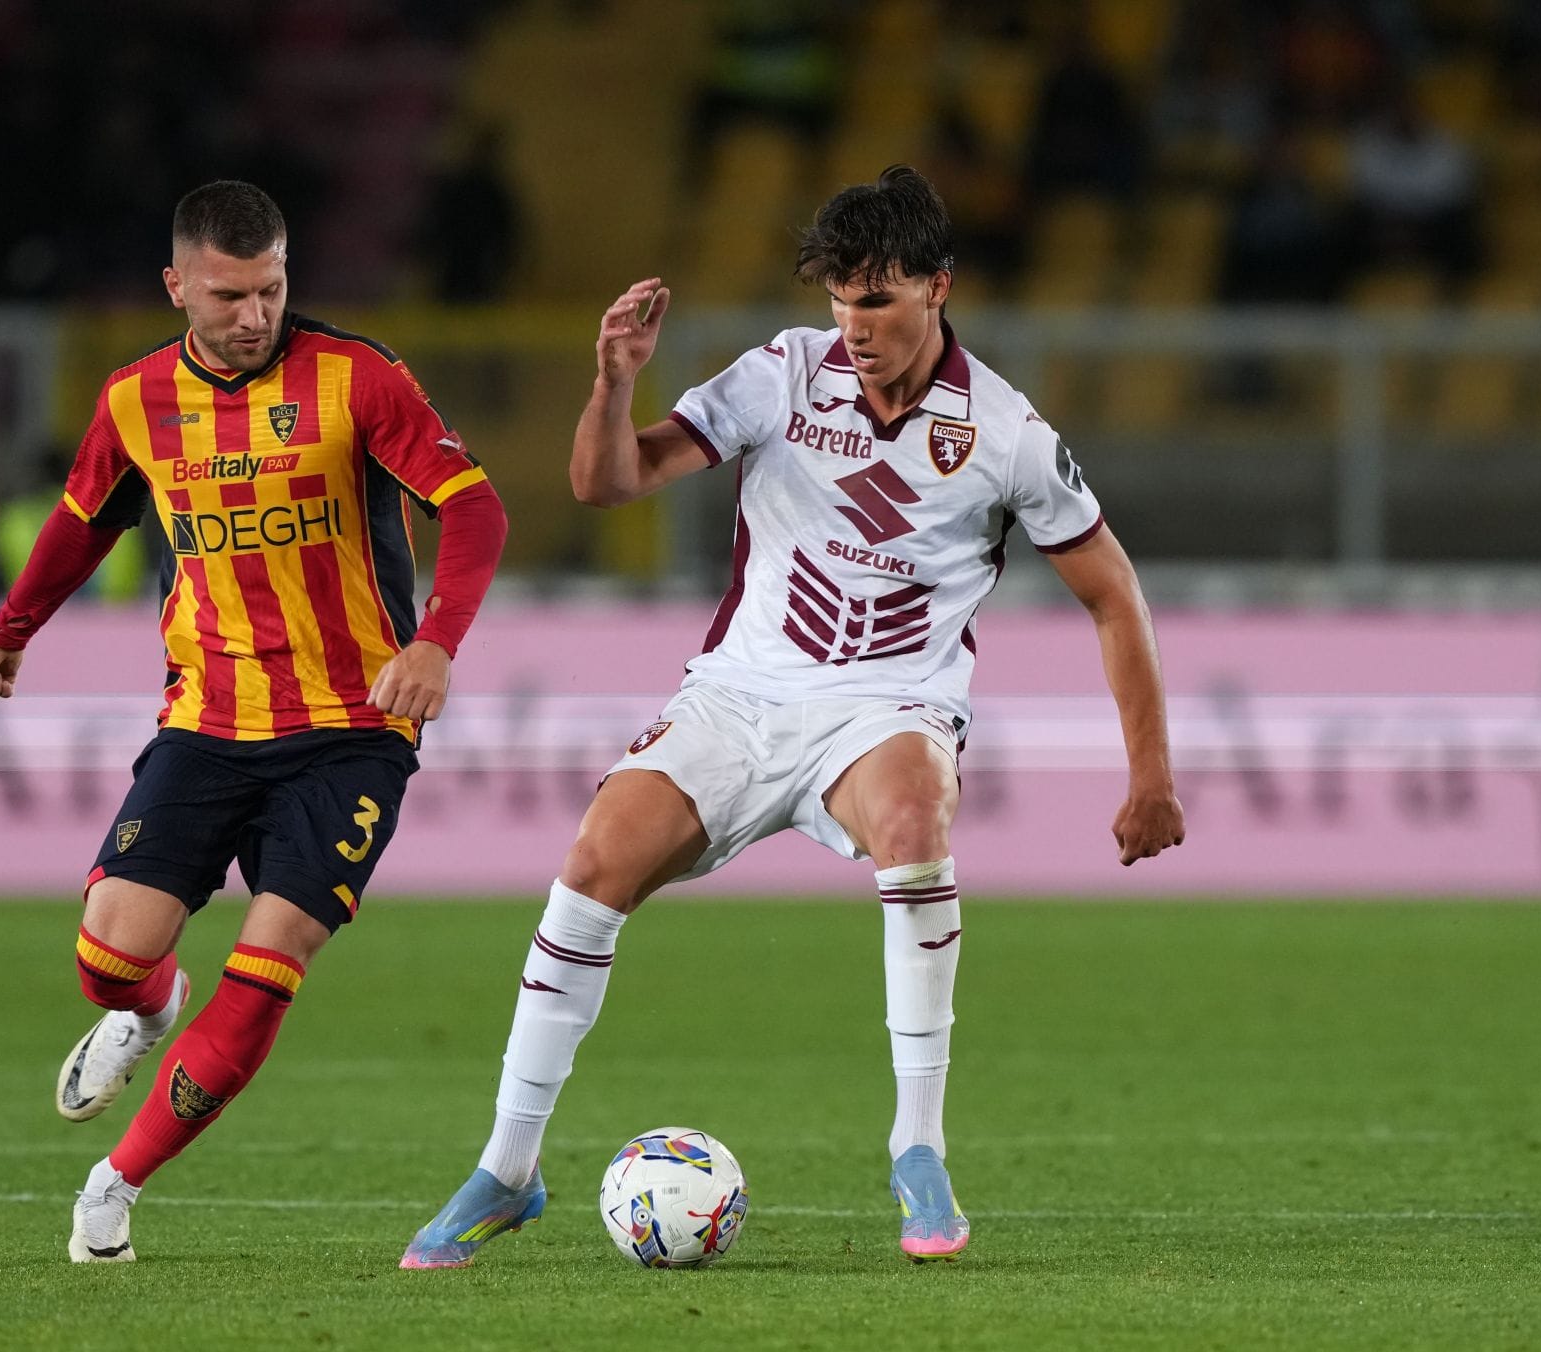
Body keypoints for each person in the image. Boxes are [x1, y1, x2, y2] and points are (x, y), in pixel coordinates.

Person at [403, 166, 1184, 1269]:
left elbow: (1115, 594)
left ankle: (919, 1149)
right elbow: (607, 483)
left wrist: (1150, 776)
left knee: (915, 823)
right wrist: (614, 382)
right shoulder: (782, 375)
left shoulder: (1004, 432)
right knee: (589, 868)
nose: (853, 327)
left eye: (877, 301)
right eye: (839, 300)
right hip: (739, 695)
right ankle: (507, 1168)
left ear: (937, 289)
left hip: (886, 704)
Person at [0, 179, 507, 1264]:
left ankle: (116, 1183)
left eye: (272, 289)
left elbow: (473, 502)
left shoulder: (357, 377)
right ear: (176, 286)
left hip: (354, 728)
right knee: (109, 958)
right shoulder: (134, 400)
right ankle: (149, 1009)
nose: (254, 314)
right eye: (229, 294)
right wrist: (8, 632)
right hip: (208, 719)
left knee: (274, 953)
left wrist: (435, 641)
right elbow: (79, 521)